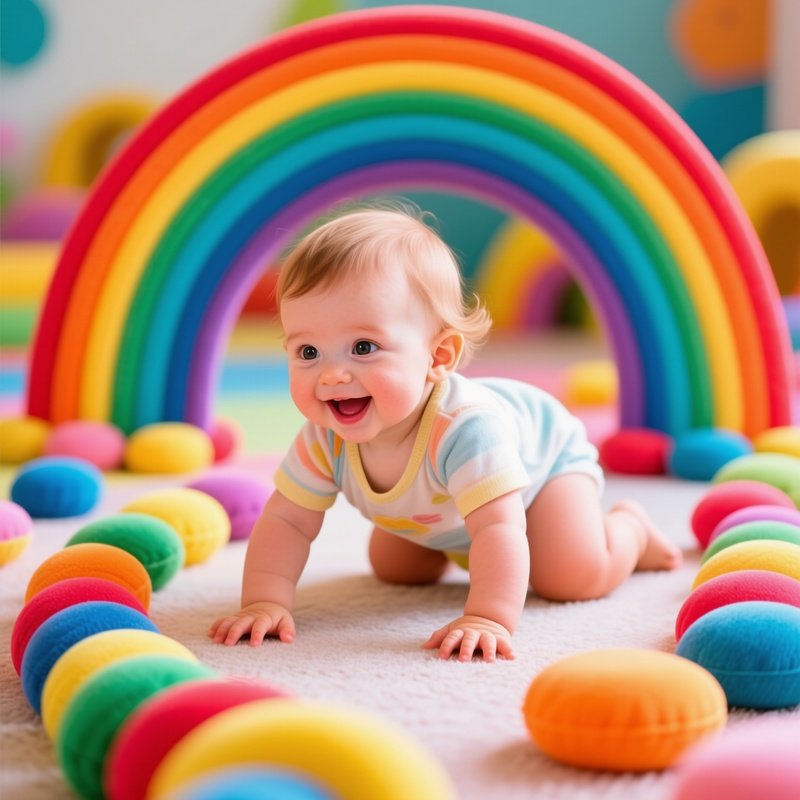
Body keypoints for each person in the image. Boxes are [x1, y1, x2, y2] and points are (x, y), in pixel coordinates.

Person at [209, 205, 682, 662]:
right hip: (441, 511)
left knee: (569, 576)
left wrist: (488, 617)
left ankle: (630, 531)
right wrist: (264, 602)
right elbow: (288, 521)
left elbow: (500, 525)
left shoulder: (466, 430)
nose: (331, 374)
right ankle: (463, 548)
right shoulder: (322, 435)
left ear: (438, 357)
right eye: (308, 352)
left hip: (544, 470)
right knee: (396, 570)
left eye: (363, 347)